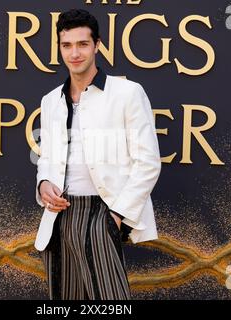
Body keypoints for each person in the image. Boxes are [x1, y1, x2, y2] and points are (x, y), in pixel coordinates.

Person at [34, 9, 161, 300]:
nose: (74, 53)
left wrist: (117, 216)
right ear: (59, 48)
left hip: (102, 213)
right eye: (67, 45)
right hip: (58, 216)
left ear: (97, 45)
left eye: (82, 44)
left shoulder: (127, 93)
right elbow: (46, 158)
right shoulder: (51, 100)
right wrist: (43, 186)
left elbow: (148, 162)